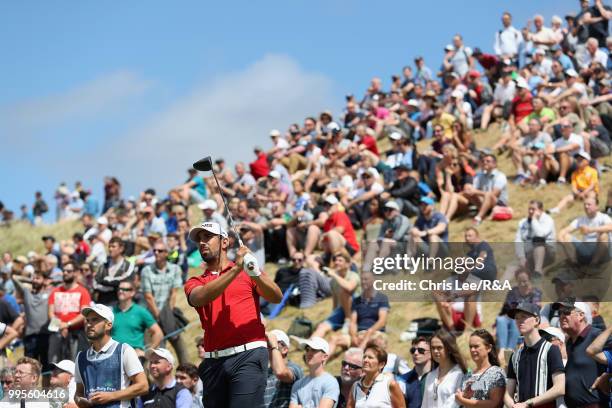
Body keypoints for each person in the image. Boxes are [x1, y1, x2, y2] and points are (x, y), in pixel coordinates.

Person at [185, 222, 282, 407]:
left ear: (225, 242)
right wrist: (236, 269)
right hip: (214, 362)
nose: (202, 243)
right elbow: (200, 297)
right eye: (199, 239)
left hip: (249, 355)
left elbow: (276, 296)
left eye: (208, 237)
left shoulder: (248, 270)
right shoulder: (196, 281)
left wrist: (255, 274)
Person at [75, 303, 148, 407]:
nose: (89, 324)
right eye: (87, 320)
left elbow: (143, 386)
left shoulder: (124, 350)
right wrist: (81, 401)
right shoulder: (80, 357)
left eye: (95, 320)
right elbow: (79, 392)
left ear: (108, 325)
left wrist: (111, 396)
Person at [505, 302, 565, 408]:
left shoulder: (551, 350)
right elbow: (507, 393)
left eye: (524, 317)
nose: (519, 321)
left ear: (537, 320)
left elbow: (560, 388)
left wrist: (528, 404)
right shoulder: (515, 356)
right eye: (517, 318)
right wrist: (513, 406)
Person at [553, 299, 611, 408]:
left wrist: (608, 375)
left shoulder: (597, 336)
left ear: (581, 315)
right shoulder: (570, 342)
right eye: (559, 313)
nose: (561, 316)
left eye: (566, 312)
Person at [141, 240, 189, 364]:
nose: (156, 253)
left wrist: (169, 314)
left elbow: (173, 293)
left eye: (160, 250)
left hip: (167, 312)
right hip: (151, 316)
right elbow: (148, 296)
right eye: (154, 250)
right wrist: (158, 317)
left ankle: (188, 374)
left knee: (180, 346)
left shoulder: (175, 269)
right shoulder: (146, 271)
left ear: (166, 253)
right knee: (155, 351)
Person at [48, 261, 91, 364]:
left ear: (76, 273)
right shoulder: (55, 291)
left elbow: (84, 313)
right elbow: (50, 313)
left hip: (75, 332)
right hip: (57, 332)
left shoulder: (83, 291)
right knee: (54, 363)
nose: (65, 273)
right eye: (64, 270)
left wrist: (67, 325)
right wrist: (61, 326)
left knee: (74, 364)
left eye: (68, 271)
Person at [12, 269, 51, 382]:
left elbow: (61, 282)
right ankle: (30, 395)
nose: (34, 280)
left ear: (44, 280)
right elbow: (14, 278)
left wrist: (48, 281)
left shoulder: (49, 293)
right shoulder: (26, 293)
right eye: (33, 278)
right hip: (30, 336)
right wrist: (30, 279)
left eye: (37, 278)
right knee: (28, 367)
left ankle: (46, 394)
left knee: (46, 367)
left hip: (45, 335)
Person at [310, 251, 361, 338]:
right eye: (336, 261)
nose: (336, 262)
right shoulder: (334, 281)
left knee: (344, 292)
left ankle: (348, 320)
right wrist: (333, 313)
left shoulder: (354, 276)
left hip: (356, 311)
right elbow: (335, 298)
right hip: (341, 311)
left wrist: (334, 274)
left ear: (348, 264)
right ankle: (308, 345)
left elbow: (349, 287)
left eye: (340, 261)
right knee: (321, 327)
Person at [497, 270, 542, 365]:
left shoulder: (536, 292)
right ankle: (502, 350)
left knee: (516, 319)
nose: (522, 284)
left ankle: (509, 350)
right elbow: (505, 308)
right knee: (500, 320)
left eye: (525, 281)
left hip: (524, 318)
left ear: (530, 280)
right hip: (510, 316)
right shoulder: (513, 291)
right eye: (520, 282)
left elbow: (534, 309)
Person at [111, 279, 163, 358]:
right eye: (119, 289)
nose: (121, 291)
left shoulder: (141, 311)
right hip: (113, 356)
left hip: (133, 357)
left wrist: (147, 352)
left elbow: (158, 333)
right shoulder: (110, 312)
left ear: (133, 293)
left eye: (125, 289)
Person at [455, 330, 506, 408]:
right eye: (470, 347)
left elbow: (494, 403)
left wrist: (462, 400)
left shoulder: (496, 373)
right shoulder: (468, 375)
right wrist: (463, 396)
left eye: (476, 346)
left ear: (488, 348)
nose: (472, 350)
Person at [346, 343, 406, 407]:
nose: (365, 360)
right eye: (364, 357)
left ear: (381, 365)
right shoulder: (356, 386)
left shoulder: (390, 384)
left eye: (370, 358)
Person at [289, 337, 340, 408]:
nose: (309, 353)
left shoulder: (330, 382)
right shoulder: (297, 384)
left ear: (324, 357)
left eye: (314, 350)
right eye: (307, 350)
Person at [422, 329, 467, 408]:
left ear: (449, 349)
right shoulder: (430, 376)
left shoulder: (459, 375)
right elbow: (424, 405)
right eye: (433, 348)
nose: (435, 351)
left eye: (439, 348)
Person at [263, 329, 303, 408]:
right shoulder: (263, 373)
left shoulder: (295, 368)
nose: (268, 345)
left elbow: (281, 372)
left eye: (271, 342)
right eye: (267, 343)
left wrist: (274, 347)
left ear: (285, 349)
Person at [515, 201, 556, 277]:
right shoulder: (523, 222)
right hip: (530, 254)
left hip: (547, 253)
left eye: (533, 209)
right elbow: (518, 240)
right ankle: (500, 285)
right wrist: (521, 257)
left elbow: (540, 234)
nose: (530, 211)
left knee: (538, 240)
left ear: (540, 210)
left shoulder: (548, 220)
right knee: (512, 267)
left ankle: (537, 271)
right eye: (529, 209)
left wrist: (534, 220)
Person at [465, 154, 508, 226]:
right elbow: (474, 189)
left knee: (488, 194)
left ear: (494, 164)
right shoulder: (480, 175)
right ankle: (483, 213)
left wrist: (476, 192)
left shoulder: (500, 176)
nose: (485, 162)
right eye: (483, 161)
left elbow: (494, 194)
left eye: (488, 161)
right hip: (486, 200)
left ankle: (478, 218)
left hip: (498, 203)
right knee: (471, 192)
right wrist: (470, 191)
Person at [93, 237, 135, 304]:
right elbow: (96, 282)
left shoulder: (128, 266)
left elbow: (125, 282)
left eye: (113, 247)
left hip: (118, 301)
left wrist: (105, 282)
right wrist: (113, 284)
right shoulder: (103, 265)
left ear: (121, 249)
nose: (110, 249)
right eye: (109, 247)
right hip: (102, 300)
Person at [399, 337, 432, 408]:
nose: (416, 353)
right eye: (413, 350)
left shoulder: (439, 376)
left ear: (431, 354)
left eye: (421, 350)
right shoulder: (403, 379)